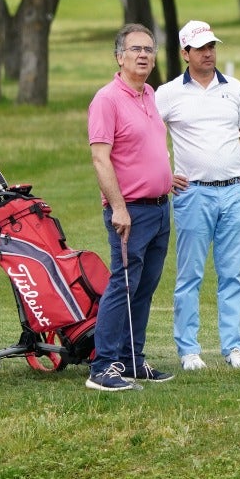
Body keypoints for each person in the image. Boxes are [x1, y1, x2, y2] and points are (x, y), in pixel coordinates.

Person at [155, 20, 240, 371]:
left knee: (232, 274)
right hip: (193, 194)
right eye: (201, 48)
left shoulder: (233, 88)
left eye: (212, 47)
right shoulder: (169, 93)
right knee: (190, 275)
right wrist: (164, 171)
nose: (209, 53)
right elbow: (150, 138)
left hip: (234, 190)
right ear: (184, 53)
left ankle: (234, 348)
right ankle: (189, 350)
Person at [86, 23, 175, 391]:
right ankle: (103, 366)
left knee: (143, 288)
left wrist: (168, 177)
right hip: (130, 212)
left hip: (159, 209)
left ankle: (132, 360)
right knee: (122, 285)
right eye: (136, 49)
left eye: (149, 49)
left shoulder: (150, 94)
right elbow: (100, 159)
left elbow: (147, 149)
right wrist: (118, 207)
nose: (143, 55)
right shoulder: (107, 99)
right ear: (119, 57)